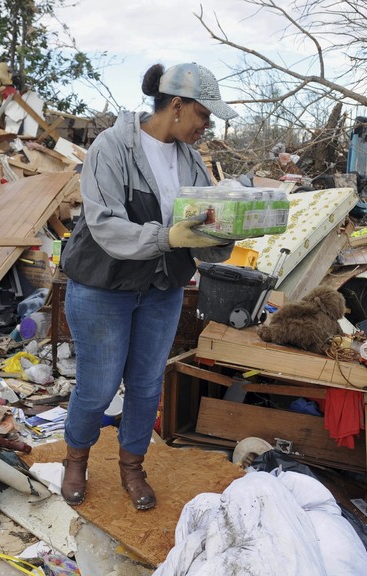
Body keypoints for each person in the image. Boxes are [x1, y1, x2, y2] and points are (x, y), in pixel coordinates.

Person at [58, 62, 238, 510]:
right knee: (98, 388)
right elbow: (105, 224)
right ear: (175, 106)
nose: (206, 126)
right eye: (203, 115)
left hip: (161, 290)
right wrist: (166, 237)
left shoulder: (191, 160)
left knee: (145, 385)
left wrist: (232, 231)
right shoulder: (112, 147)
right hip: (103, 287)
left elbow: (201, 232)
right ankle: (76, 460)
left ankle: (132, 467)